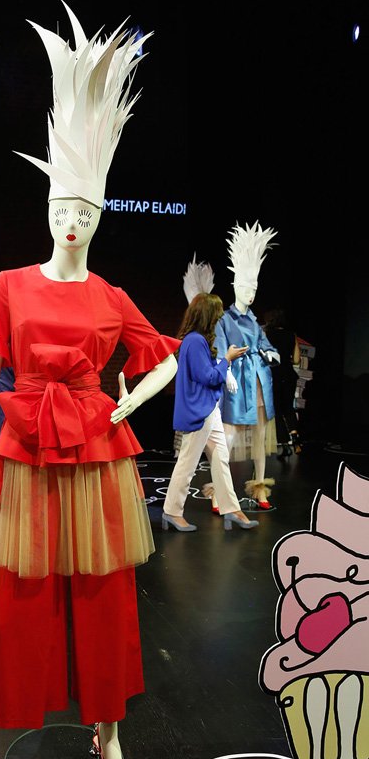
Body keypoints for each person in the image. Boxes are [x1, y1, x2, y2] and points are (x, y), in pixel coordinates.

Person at [0, 3, 180, 759]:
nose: (72, 220)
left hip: (96, 455)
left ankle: (110, 737)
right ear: (48, 205)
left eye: (86, 209)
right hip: (26, 452)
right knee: (18, 608)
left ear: (100, 214)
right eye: (63, 206)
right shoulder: (11, 285)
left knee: (106, 602)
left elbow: (165, 357)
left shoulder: (113, 296)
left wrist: (129, 398)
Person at [162, 293, 259, 531]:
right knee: (188, 463)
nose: (219, 318)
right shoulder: (195, 341)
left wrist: (224, 362)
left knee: (220, 459)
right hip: (200, 410)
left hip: (208, 409)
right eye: (217, 314)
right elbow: (208, 377)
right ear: (208, 315)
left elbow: (206, 373)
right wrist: (227, 359)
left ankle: (231, 509)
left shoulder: (196, 341)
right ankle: (172, 512)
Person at [214, 221, 279, 510]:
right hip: (238, 381)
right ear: (236, 287)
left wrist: (272, 354)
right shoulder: (224, 319)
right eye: (246, 288)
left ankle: (261, 488)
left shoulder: (253, 320)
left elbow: (266, 344)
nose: (251, 294)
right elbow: (220, 351)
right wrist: (227, 371)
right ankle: (219, 491)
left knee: (261, 438)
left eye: (254, 289)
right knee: (228, 438)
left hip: (259, 380)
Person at [262, 308, 301, 458]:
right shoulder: (292, 335)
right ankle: (295, 439)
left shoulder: (267, 335)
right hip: (289, 375)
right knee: (288, 408)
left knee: (277, 411)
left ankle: (285, 445)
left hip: (274, 376)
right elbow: (296, 360)